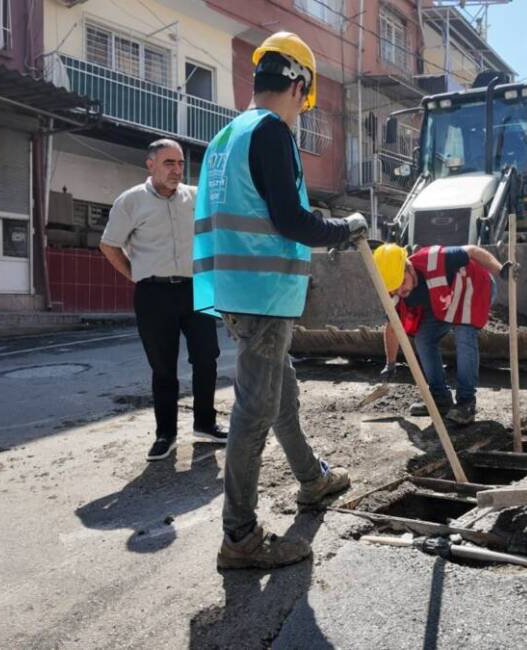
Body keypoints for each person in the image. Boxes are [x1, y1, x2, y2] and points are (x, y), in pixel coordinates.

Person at [192, 32, 369, 570]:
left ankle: (312, 479)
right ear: (297, 84)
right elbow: (289, 220)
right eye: (304, 100)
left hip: (238, 291)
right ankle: (239, 537)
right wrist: (346, 226)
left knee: (279, 395)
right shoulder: (271, 133)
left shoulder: (228, 135)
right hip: (263, 294)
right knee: (255, 411)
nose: (301, 112)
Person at [100, 139, 226, 462]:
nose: (177, 170)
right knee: (163, 366)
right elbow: (109, 245)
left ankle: (206, 423)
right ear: (150, 164)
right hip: (153, 294)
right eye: (169, 163)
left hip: (197, 287)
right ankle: (165, 434)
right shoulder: (130, 202)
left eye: (181, 163)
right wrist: (136, 274)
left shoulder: (196, 198)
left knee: (207, 357)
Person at [374, 243, 513, 425]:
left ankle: (466, 403)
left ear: (408, 266)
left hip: (473, 286)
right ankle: (440, 398)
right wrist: (390, 364)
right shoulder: (397, 292)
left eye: (402, 283)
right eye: (395, 289)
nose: (401, 291)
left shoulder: (437, 260)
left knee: (464, 333)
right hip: (444, 299)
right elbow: (392, 325)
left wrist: (500, 269)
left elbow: (472, 251)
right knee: (424, 339)